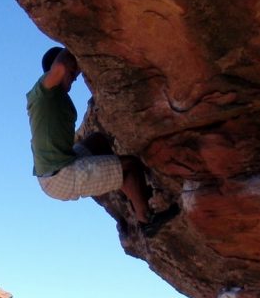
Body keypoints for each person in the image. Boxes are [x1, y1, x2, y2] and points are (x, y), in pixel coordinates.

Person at [26, 45, 179, 237]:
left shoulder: (58, 97)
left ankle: (125, 186)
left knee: (98, 141)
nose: (75, 75)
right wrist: (72, 41)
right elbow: (62, 67)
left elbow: (65, 69)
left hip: (62, 163)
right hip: (59, 177)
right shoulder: (41, 93)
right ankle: (146, 221)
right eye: (73, 71)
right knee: (131, 166)